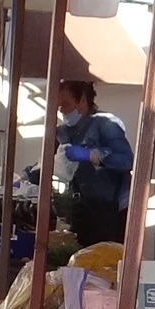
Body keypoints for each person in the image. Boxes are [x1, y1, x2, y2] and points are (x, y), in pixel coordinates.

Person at [54, 78, 133, 248]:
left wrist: (92, 155)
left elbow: (126, 160)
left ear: (82, 100)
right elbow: (46, 160)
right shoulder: (64, 132)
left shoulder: (106, 124)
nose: (62, 111)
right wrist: (25, 176)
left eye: (66, 105)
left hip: (111, 210)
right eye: (58, 106)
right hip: (81, 210)